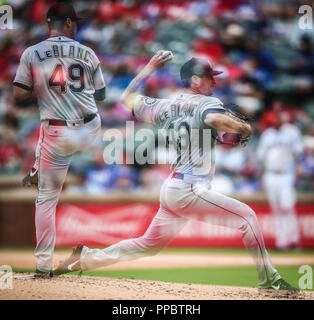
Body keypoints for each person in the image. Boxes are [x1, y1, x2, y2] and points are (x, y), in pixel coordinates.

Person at [55, 52, 298, 291]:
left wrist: (150, 67)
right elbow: (214, 118)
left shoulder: (165, 105)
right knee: (248, 217)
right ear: (194, 81)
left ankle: (85, 257)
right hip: (190, 188)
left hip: (173, 188)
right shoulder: (208, 102)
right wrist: (243, 128)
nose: (214, 81)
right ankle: (269, 279)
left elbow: (126, 98)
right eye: (208, 77)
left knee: (147, 245)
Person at [13, 3, 106, 278]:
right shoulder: (87, 52)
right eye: (74, 22)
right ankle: (37, 168)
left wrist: (42, 90)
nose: (75, 26)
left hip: (56, 134)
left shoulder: (32, 52)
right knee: (71, 123)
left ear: (47, 24)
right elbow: (100, 97)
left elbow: (18, 97)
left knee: (46, 199)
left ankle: (43, 266)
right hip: (90, 129)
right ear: (66, 23)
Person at [256, 111, 304, 250]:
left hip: (286, 175)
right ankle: (281, 242)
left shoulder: (292, 131)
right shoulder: (268, 134)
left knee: (287, 206)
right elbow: (261, 157)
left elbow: (299, 154)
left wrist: (297, 172)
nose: (273, 124)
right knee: (276, 209)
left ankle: (293, 239)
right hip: (270, 175)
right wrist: (261, 177)